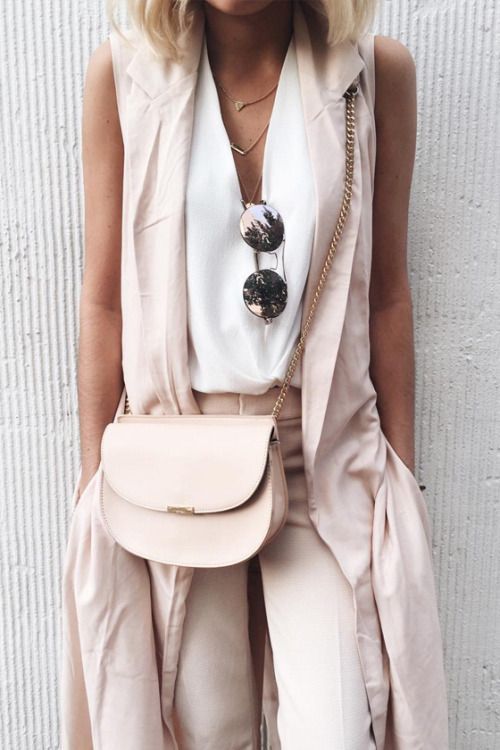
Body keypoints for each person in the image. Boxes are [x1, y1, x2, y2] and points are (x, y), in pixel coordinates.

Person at [59, 1, 449, 748]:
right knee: (204, 731)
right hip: (176, 466)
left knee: (336, 730)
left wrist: (399, 473)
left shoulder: (374, 74)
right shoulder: (126, 75)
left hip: (321, 457)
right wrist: (93, 482)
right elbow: (102, 297)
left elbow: (388, 295)